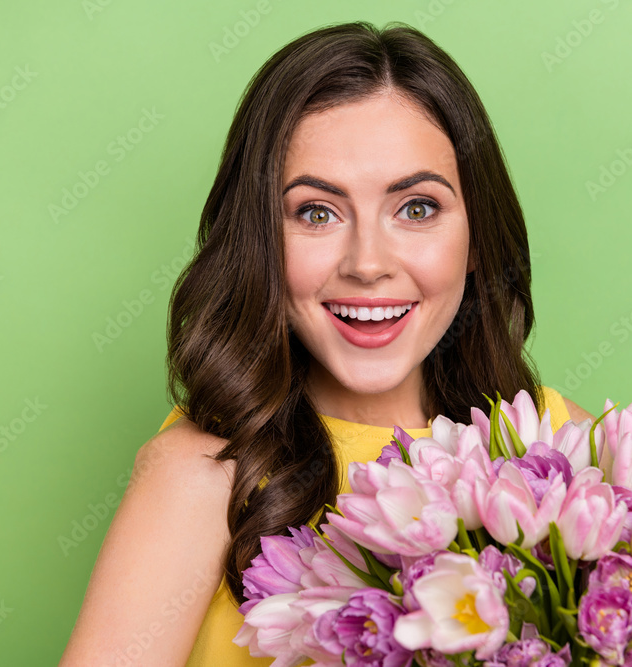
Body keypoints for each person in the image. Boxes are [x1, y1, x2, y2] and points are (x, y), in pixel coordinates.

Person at [59, 20, 594, 666]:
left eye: (416, 208)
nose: (368, 263)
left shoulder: (566, 456)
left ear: (476, 236)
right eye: (317, 212)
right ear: (262, 242)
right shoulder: (201, 480)